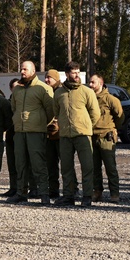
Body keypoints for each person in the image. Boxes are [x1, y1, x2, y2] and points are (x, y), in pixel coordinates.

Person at [53, 62, 100, 206]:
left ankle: (87, 196)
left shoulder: (87, 92)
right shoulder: (59, 93)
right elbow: (57, 112)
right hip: (66, 135)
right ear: (67, 74)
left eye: (78, 72)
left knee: (87, 166)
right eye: (73, 73)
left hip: (82, 134)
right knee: (66, 167)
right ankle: (68, 195)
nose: (77, 75)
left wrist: (86, 126)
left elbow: (95, 113)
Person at [10, 61, 56, 204]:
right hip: (19, 132)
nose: (22, 72)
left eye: (25, 69)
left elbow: (51, 111)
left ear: (33, 71)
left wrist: (40, 122)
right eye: (21, 69)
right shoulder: (17, 90)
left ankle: (44, 193)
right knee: (20, 164)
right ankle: (21, 193)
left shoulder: (43, 89)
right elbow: (14, 108)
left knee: (38, 164)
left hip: (36, 132)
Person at [89, 73, 124, 203]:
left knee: (110, 167)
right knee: (94, 167)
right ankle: (97, 191)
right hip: (92, 136)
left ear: (101, 83)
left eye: (93, 82)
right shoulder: (89, 98)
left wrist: (112, 128)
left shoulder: (110, 99)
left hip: (106, 137)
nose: (90, 85)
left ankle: (114, 193)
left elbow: (120, 116)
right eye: (90, 82)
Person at [43, 69, 63, 199]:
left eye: (49, 78)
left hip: (62, 135)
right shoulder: (46, 92)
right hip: (49, 135)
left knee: (66, 165)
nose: (46, 80)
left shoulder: (61, 92)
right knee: (51, 164)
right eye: (45, 78)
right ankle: (53, 189)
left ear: (55, 79)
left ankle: (71, 189)